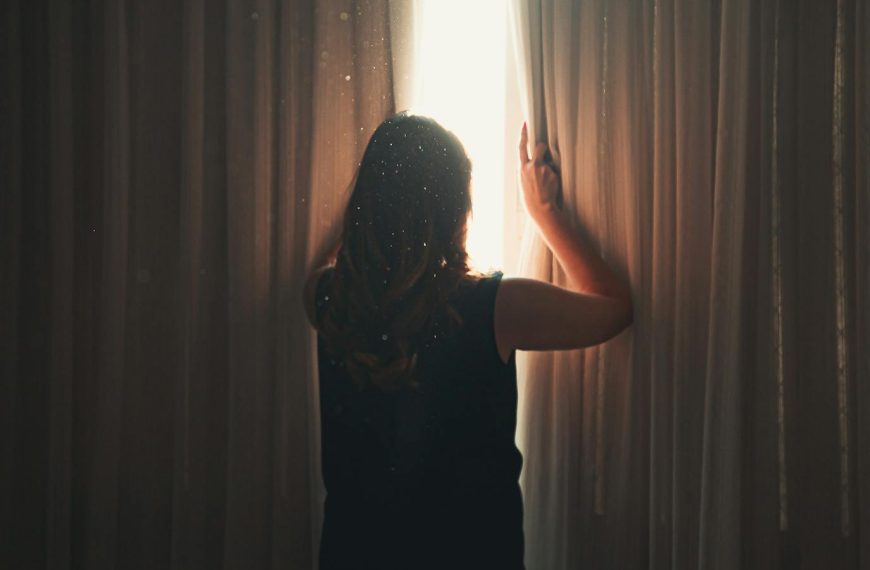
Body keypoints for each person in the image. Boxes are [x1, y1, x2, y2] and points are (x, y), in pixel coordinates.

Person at [303, 112, 633, 569]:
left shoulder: (328, 298)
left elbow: (336, 264)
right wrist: (546, 214)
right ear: (453, 210)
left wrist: (375, 216)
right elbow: (614, 309)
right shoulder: (492, 308)